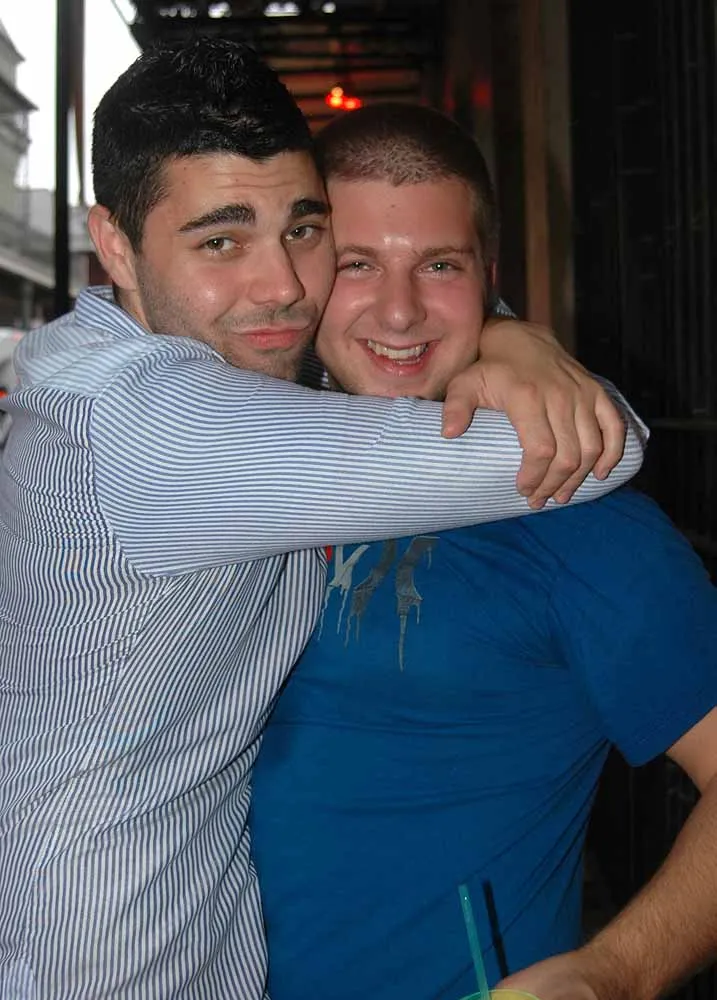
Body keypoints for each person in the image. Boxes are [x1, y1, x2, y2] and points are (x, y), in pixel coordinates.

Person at [0, 39, 643, 999]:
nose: (283, 288)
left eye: (302, 231)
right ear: (117, 244)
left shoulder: (119, 365)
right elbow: (602, 443)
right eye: (221, 241)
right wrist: (514, 337)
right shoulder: (163, 427)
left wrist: (490, 325)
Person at [249, 103, 717, 1000]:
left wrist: (618, 969)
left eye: (440, 265)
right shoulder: (239, 462)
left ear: (487, 279)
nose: (399, 310)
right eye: (355, 263)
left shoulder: (572, 512)